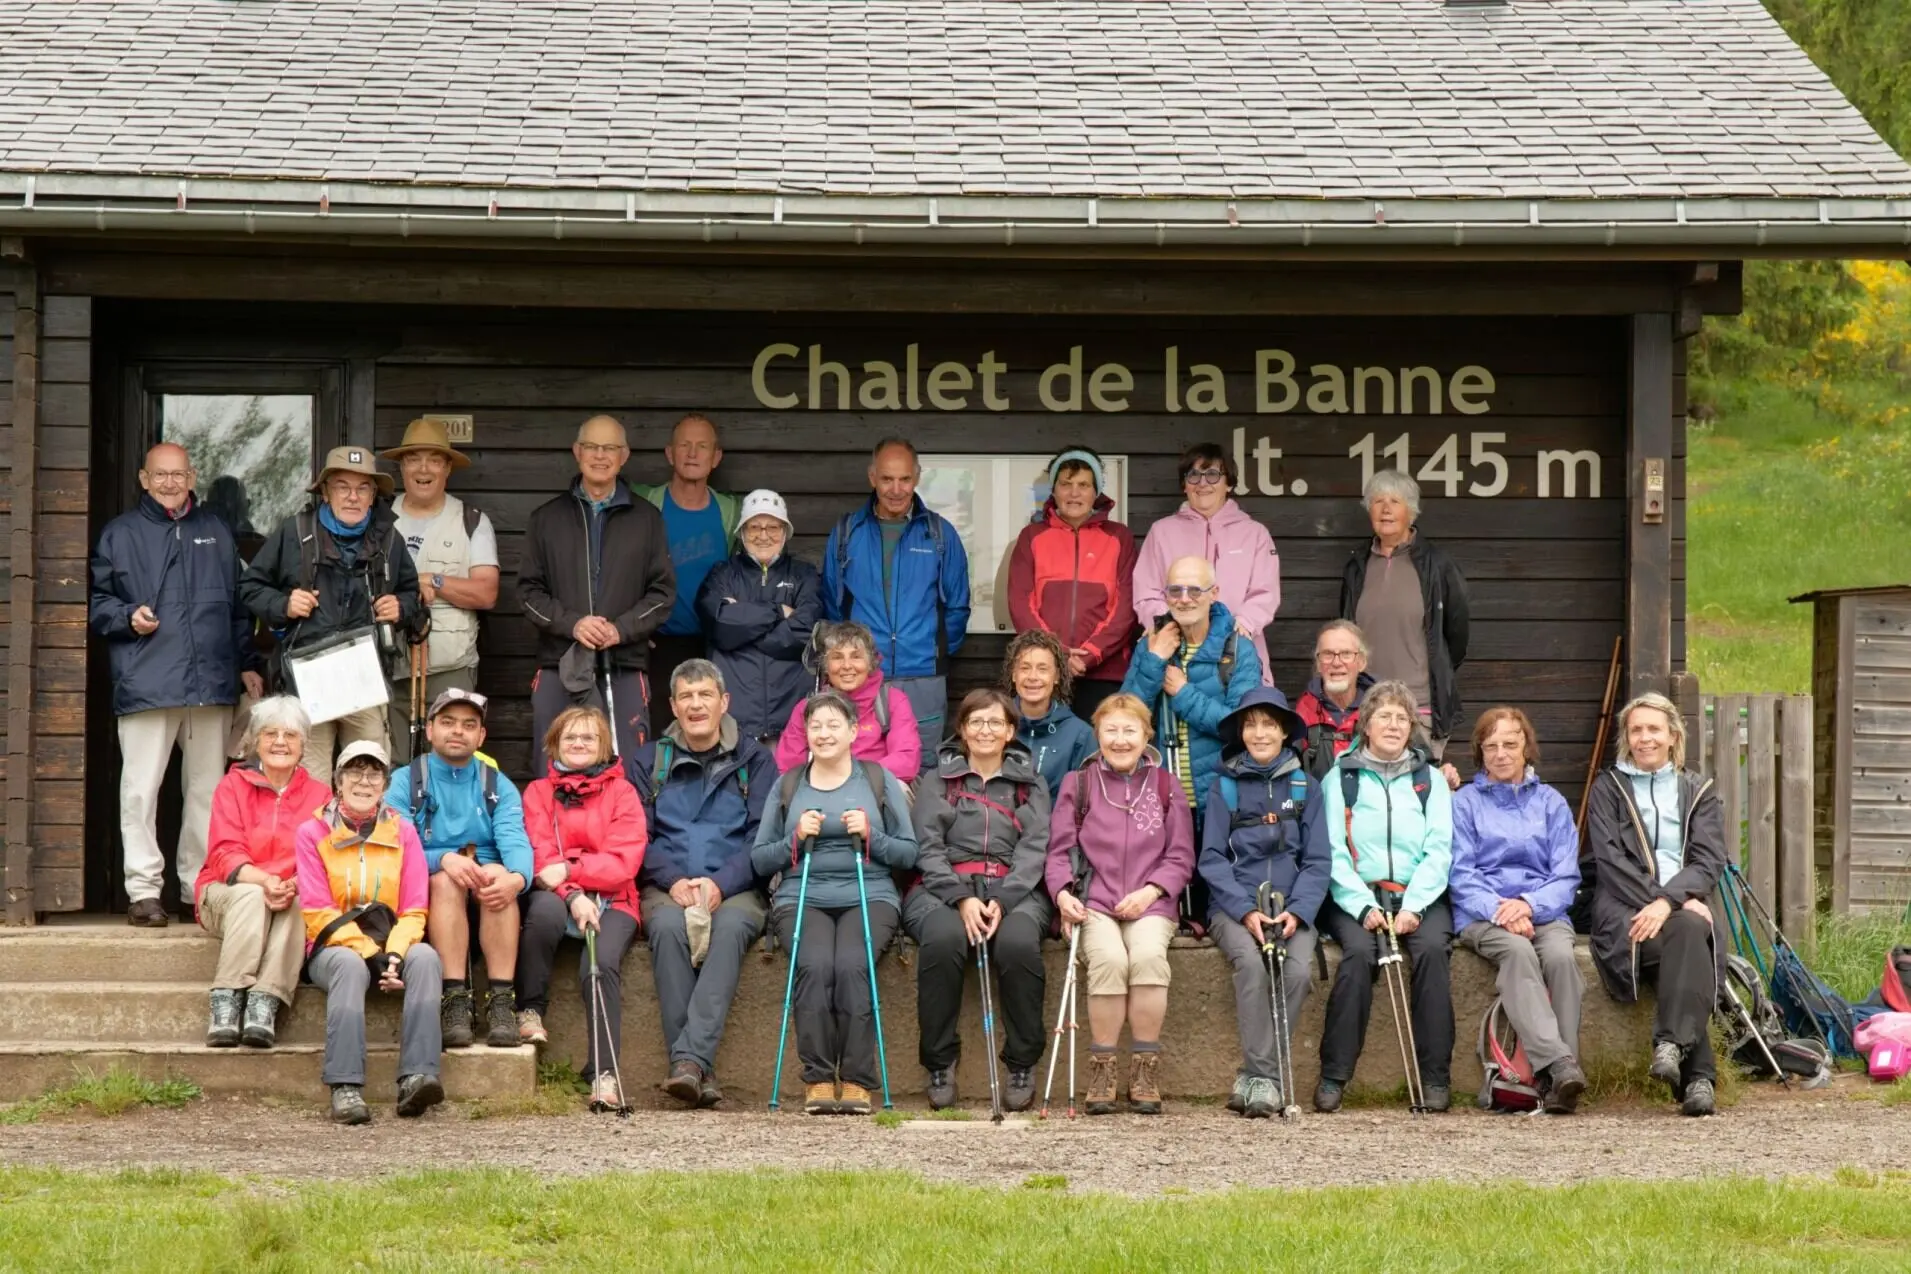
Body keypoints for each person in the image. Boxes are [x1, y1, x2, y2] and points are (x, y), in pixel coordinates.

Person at [90, 441, 265, 925]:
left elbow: (237, 608)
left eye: (178, 474)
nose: (169, 482)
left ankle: (198, 888)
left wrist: (247, 661)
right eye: (159, 474)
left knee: (208, 793)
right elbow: (98, 604)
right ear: (144, 480)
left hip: (210, 681)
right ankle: (144, 891)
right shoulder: (119, 534)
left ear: (192, 477)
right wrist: (128, 616)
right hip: (147, 681)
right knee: (141, 791)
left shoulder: (216, 531)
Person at [751, 690, 919, 1115]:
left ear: (852, 731)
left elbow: (908, 853)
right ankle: (820, 1078)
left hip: (871, 891)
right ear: (805, 733)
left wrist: (871, 835)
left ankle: (860, 1079)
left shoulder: (877, 779)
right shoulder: (788, 784)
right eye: (815, 726)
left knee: (850, 965)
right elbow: (759, 858)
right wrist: (794, 839)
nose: (824, 734)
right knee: (813, 966)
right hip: (801, 895)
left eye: (833, 725)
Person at [627, 660, 775, 1109]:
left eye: (705, 695)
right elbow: (635, 835)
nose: (696, 705)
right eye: (686, 697)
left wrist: (720, 884)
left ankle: (687, 1061)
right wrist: (672, 881)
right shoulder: (648, 759)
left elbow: (761, 838)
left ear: (723, 702)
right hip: (664, 884)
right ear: (673, 705)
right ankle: (697, 1067)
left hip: (737, 885)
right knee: (668, 929)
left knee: (731, 929)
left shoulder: (755, 759)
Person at [1046, 694, 1195, 1116]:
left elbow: (1181, 855)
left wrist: (1152, 891)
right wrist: (1062, 895)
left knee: (1148, 956)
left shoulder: (1167, 785)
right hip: (1095, 900)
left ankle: (1146, 1069)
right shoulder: (1080, 784)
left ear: (1146, 734)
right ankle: (1104, 1069)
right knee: (1109, 959)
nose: (1120, 739)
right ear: (1098, 734)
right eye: (1111, 730)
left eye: (1130, 730)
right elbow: (1058, 851)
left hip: (1151, 902)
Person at [904, 688, 1052, 1112]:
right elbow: (928, 846)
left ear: (1010, 731)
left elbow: (1034, 848)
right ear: (962, 729)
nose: (985, 730)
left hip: (1013, 888)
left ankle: (1022, 1062)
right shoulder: (939, 780)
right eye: (976, 722)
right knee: (943, 939)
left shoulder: (1030, 784)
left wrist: (1003, 899)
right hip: (943, 887)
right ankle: (939, 1062)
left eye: (995, 723)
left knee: (1019, 943)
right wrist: (960, 898)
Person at [240, 445, 423, 787]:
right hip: (307, 680)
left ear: (373, 495)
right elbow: (250, 586)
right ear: (325, 492)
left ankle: (364, 842)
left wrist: (401, 607)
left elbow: (413, 595)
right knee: (311, 783)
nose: (352, 497)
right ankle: (315, 843)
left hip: (365, 679)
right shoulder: (293, 533)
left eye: (363, 488)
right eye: (342, 487)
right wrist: (284, 604)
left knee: (368, 779)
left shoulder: (390, 540)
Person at [1314, 680, 1455, 1113]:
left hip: (1418, 895)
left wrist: (1414, 905)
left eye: (1402, 718)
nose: (1393, 725)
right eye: (1384, 717)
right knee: (1357, 955)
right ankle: (1334, 1075)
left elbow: (1439, 848)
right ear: (1366, 725)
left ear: (1411, 727)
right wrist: (1362, 905)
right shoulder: (1342, 777)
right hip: (1355, 895)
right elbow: (1333, 850)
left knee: (1432, 950)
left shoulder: (1429, 779)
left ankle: (1435, 1077)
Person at [1586, 692, 1729, 1117]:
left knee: (1686, 933)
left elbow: (1709, 860)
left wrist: (1669, 903)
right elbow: (1610, 862)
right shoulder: (1608, 788)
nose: (1644, 737)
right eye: (1636, 730)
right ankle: (1699, 1076)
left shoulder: (1697, 790)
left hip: (1680, 909)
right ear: (1627, 739)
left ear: (1673, 736)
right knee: (1689, 943)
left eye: (1653, 729)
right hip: (1625, 907)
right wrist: (1668, 902)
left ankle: (1670, 1046)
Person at [296, 739, 444, 1125]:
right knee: (349, 965)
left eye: (374, 772)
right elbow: (317, 912)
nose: (364, 781)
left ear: (385, 782)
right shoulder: (312, 832)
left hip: (390, 938)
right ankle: (345, 1086)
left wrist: (394, 954)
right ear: (338, 780)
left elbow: (414, 907)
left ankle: (418, 1076)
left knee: (425, 958)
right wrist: (370, 954)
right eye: (354, 772)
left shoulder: (403, 832)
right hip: (332, 944)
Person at [1450, 706, 1587, 1114]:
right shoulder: (1465, 803)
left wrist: (1527, 905)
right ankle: (1559, 1066)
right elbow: (1459, 873)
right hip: (1482, 914)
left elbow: (1566, 875)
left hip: (1543, 911)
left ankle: (1559, 1080)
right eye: (1490, 746)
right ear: (1479, 753)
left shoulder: (1551, 803)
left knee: (1562, 958)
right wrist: (1502, 910)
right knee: (1518, 952)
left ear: (1526, 747)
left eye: (1510, 743)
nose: (1501, 753)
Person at [1198, 689, 1328, 1118]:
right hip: (1234, 906)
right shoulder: (1224, 788)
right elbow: (1212, 859)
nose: (1259, 733)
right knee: (1252, 967)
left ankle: (1257, 1079)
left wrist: (1299, 910)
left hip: (1294, 907)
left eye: (1269, 724)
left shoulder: (1306, 787)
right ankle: (1266, 1079)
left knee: (1297, 973)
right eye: (1250, 724)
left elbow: (1317, 860)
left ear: (1285, 730)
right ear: (1240, 731)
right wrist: (1244, 910)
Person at [520, 414, 675, 767]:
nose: (600, 455)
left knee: (627, 768)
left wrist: (619, 629)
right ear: (577, 451)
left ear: (624, 455)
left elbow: (662, 593)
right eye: (592, 446)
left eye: (610, 448)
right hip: (559, 663)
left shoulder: (647, 519)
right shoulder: (546, 518)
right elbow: (529, 592)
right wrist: (573, 624)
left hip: (624, 664)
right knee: (552, 766)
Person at [382, 688, 534, 1050]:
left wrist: (517, 877)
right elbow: (397, 844)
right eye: (448, 722)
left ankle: (501, 1001)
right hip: (431, 881)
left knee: (498, 877)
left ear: (481, 736)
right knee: (446, 880)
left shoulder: (497, 783)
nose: (458, 731)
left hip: (483, 877)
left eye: (469, 725)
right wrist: (443, 858)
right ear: (430, 729)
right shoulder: (406, 780)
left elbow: (515, 838)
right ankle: (454, 999)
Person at [516, 706, 647, 1112]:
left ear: (604, 746)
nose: (578, 743)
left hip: (616, 899)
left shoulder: (622, 793)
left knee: (600, 962)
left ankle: (603, 1075)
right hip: (558, 896)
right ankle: (530, 1010)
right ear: (554, 742)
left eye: (589, 737)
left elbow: (624, 860)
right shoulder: (538, 792)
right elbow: (540, 855)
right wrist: (573, 895)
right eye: (570, 736)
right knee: (541, 916)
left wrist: (572, 871)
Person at [822, 438, 970, 775]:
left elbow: (958, 606)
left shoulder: (940, 535)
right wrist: (852, 661)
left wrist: (934, 650)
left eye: (904, 479)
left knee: (922, 768)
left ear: (917, 477)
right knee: (856, 766)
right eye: (887, 479)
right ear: (872, 477)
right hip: (860, 677)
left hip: (923, 677)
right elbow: (832, 605)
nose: (896, 489)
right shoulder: (847, 533)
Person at [194, 695, 330, 1049]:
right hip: (228, 893)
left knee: (302, 900)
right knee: (254, 895)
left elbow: (322, 858)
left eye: (290, 735)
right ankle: (228, 996)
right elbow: (224, 854)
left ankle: (264, 1002)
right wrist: (266, 881)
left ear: (304, 745)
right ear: (256, 741)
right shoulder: (232, 785)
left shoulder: (321, 795)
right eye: (270, 734)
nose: (280, 742)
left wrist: (291, 885)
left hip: (288, 892)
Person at [380, 417, 500, 766]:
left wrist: (433, 581)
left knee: (452, 761)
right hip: (390, 664)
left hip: (451, 666)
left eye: (434, 459)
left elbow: (486, 592)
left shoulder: (471, 520)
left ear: (447, 467)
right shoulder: (380, 519)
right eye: (413, 459)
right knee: (395, 763)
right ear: (401, 467)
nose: (423, 469)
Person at [1339, 470, 1470, 761]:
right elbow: (1346, 633)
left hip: (1419, 710)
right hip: (1365, 709)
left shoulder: (1437, 564)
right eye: (1378, 501)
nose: (1386, 509)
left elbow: (1456, 637)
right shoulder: (1356, 566)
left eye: (1395, 501)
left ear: (1411, 511)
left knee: (1417, 797)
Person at [1007, 446, 1137, 719]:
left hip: (1105, 673)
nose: (1074, 493)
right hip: (1043, 673)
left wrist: (1089, 654)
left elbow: (1125, 607)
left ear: (1096, 492)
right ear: (1054, 490)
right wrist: (1057, 655)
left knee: (1099, 753)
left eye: (1083, 485)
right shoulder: (1031, 536)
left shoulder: (1119, 537)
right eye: (1066, 484)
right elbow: (1020, 603)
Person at [1133, 442, 1279, 685]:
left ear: (1228, 483)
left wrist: (1239, 628)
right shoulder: (1161, 532)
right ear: (1184, 485)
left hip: (1237, 654)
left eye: (1212, 474)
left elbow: (1266, 594)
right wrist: (1167, 627)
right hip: (1177, 655)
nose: (1202, 483)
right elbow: (1146, 592)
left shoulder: (1255, 534)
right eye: (1193, 475)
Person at [634, 413, 741, 740]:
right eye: (685, 445)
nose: (693, 453)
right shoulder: (646, 504)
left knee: (711, 738)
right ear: (670, 453)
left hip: (714, 646)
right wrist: (635, 627)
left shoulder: (731, 511)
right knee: (659, 737)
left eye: (702, 446)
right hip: (658, 644)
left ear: (716, 457)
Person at [696, 488, 823, 747]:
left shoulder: (805, 575)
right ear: (742, 533)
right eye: (755, 527)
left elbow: (806, 633)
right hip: (733, 721)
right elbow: (720, 625)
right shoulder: (721, 575)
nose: (763, 535)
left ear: (785, 533)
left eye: (773, 527)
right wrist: (778, 612)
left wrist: (742, 627)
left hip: (790, 719)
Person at [772, 620, 919, 782]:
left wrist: (851, 778)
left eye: (856, 657)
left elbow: (906, 759)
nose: (847, 666)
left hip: (877, 786)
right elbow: (787, 766)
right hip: (822, 790)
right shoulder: (807, 707)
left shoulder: (890, 700)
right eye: (837, 657)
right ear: (826, 665)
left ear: (871, 662)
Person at [1005, 629, 1095, 800]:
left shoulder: (1080, 735)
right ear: (1014, 675)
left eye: (1042, 669)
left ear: (1057, 677)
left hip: (1055, 825)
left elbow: (1086, 799)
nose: (1033, 677)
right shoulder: (995, 725)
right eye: (1024, 668)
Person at [1293, 620, 1375, 780]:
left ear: (1361, 662)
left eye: (1346, 654)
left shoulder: (1383, 709)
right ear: (1318, 664)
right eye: (1328, 654)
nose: (1337, 663)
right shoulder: (1302, 715)